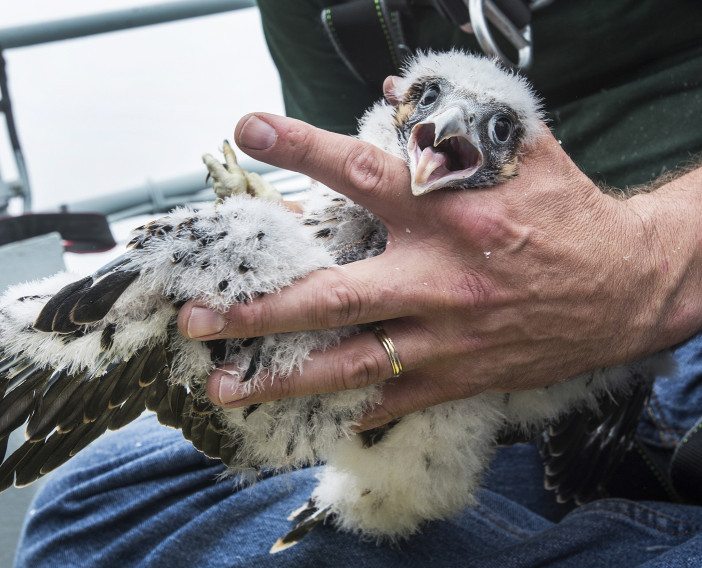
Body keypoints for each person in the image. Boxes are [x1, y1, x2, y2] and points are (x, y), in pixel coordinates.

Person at [15, 1, 702, 566]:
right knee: (91, 503)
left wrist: (648, 267)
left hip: (677, 315)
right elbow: (357, 184)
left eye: (493, 127)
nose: (453, 122)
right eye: (429, 100)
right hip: (464, 353)